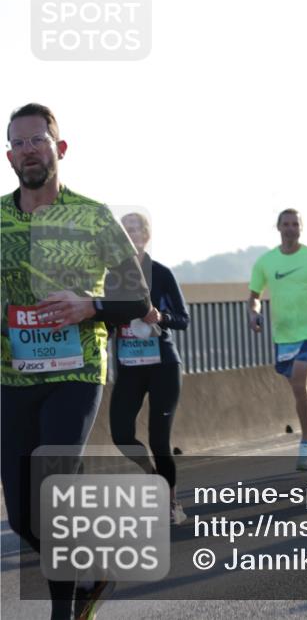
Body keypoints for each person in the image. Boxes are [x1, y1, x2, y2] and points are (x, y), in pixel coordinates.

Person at [2, 103, 152, 619]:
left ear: (59, 149)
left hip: (77, 369)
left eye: (37, 140)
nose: (28, 150)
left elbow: (138, 298)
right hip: (12, 376)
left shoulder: (92, 215)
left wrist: (91, 305)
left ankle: (62, 613)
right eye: (18, 143)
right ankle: (88, 566)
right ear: (8, 156)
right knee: (23, 514)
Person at [110, 212, 191, 523]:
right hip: (129, 367)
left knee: (159, 440)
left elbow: (183, 319)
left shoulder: (161, 273)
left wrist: (160, 317)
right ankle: (151, 476)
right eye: (125, 229)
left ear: (146, 235)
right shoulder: (111, 276)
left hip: (163, 366)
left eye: (137, 229)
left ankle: (171, 503)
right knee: (121, 434)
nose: (131, 234)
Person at [248, 209, 307, 471]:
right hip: (283, 335)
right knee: (301, 390)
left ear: (301, 228)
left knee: (300, 384)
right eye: (286, 224)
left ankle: (305, 444)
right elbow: (254, 294)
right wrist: (254, 313)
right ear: (278, 227)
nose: (290, 228)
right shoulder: (266, 262)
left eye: (295, 224)